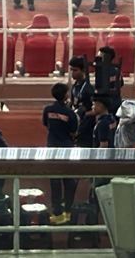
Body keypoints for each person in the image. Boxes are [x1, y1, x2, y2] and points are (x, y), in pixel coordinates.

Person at [41, 82, 78, 224]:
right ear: (66, 95)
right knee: (69, 180)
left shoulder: (48, 110)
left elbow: (46, 124)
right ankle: (68, 212)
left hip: (52, 147)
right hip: (67, 148)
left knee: (55, 181)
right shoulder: (70, 113)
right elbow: (73, 131)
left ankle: (57, 214)